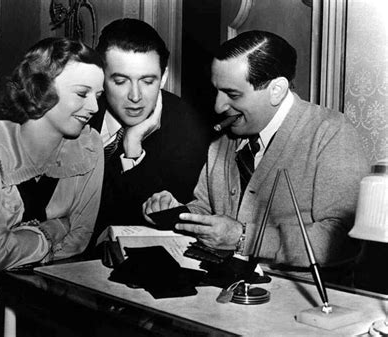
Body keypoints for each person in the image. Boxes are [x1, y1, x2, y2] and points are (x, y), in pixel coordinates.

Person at [143, 30, 369, 279]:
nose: (219, 106)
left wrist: (243, 237)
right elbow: (208, 209)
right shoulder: (224, 139)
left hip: (300, 302)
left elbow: (342, 241)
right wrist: (179, 213)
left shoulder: (331, 132)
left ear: (277, 90)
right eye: (217, 91)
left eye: (233, 94)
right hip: (224, 288)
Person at [0, 37, 105, 275]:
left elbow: (80, 239)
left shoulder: (89, 144)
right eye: (82, 93)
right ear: (40, 88)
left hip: (46, 286)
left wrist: (9, 247)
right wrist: (55, 229)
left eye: (98, 96)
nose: (95, 107)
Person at [87, 19, 210, 247]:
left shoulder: (188, 128)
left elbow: (159, 223)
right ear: (101, 77)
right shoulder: (79, 111)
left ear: (163, 77)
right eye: (121, 81)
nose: (135, 96)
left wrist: (132, 148)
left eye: (147, 81)